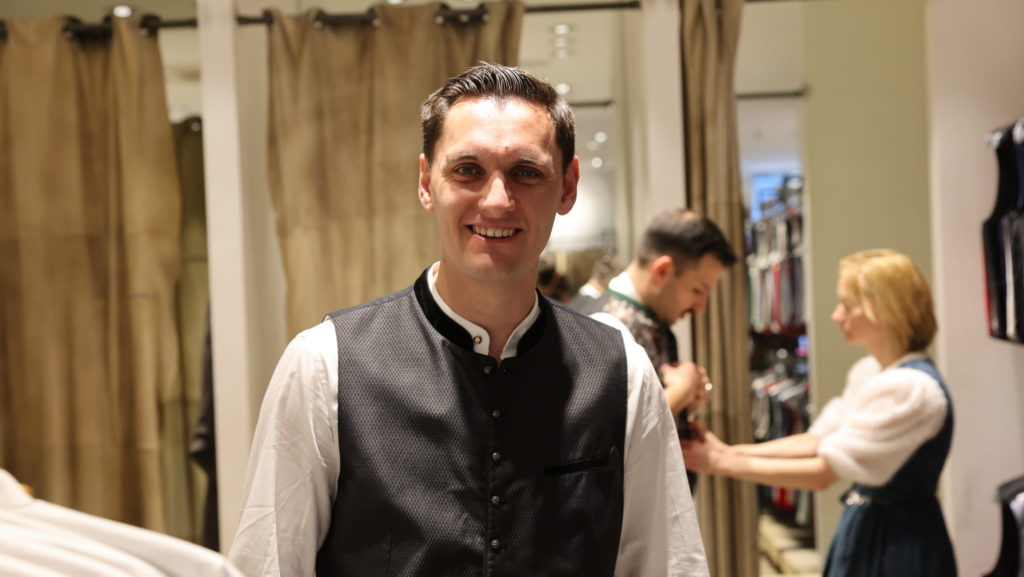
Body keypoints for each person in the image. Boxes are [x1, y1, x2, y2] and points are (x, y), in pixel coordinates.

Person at [227, 63, 709, 577]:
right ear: (426, 182)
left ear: (567, 186)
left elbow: (667, 565)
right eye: (467, 170)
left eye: (526, 172)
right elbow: (268, 565)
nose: (497, 201)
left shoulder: (622, 373)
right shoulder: (324, 365)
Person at [682, 249, 956, 577]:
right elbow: (817, 441)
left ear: (883, 309)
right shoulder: (874, 373)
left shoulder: (909, 388)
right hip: (875, 530)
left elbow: (822, 472)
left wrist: (720, 461)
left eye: (847, 305)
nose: (837, 315)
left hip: (896, 544)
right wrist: (728, 452)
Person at [591, 210, 738, 422]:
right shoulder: (601, 329)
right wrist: (682, 390)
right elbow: (609, 433)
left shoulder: (650, 321)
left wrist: (688, 399)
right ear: (662, 271)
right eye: (697, 290)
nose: (701, 307)